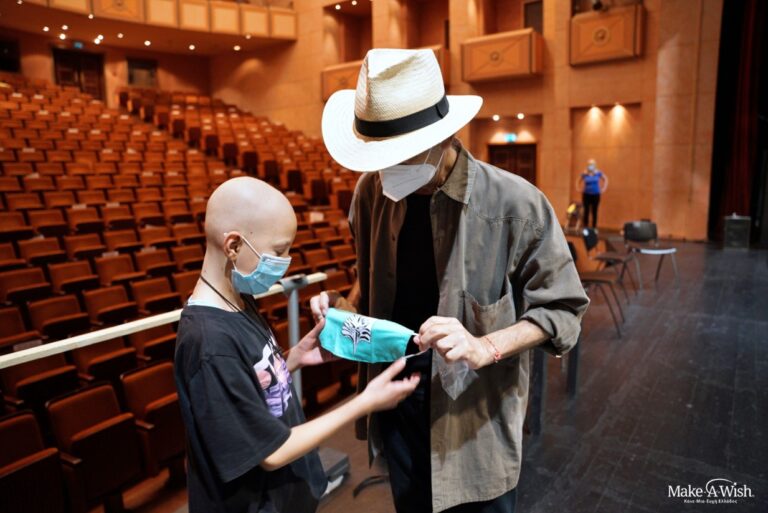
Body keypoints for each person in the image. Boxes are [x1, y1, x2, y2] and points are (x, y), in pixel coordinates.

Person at [313, 49, 590, 513]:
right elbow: (370, 277)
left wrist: (486, 345)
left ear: (441, 137)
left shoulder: (515, 203)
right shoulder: (370, 193)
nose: (385, 169)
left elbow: (563, 309)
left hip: (474, 416)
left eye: (396, 155)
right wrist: (343, 309)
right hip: (395, 397)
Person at [173, 176, 420, 513]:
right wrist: (365, 401)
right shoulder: (208, 343)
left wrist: (292, 360)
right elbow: (271, 453)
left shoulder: (238, 299)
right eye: (279, 251)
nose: (286, 260)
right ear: (233, 246)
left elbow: (246, 385)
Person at [577, 158, 608, 228]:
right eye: (589, 164)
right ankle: (585, 227)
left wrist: (603, 188)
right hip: (586, 195)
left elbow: (605, 179)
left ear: (595, 165)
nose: (590, 166)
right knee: (586, 211)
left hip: (595, 195)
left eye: (592, 164)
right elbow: (578, 181)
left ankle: (594, 227)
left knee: (594, 211)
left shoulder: (598, 173)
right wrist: (579, 188)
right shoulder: (585, 174)